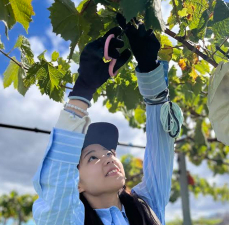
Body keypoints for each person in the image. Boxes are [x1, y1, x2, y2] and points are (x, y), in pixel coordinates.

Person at [31, 14, 180, 225]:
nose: (109, 158)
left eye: (109, 152)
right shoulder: (66, 219)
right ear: (77, 183)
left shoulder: (146, 208)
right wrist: (82, 90)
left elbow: (161, 150)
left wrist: (150, 72)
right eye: (92, 157)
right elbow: (56, 181)